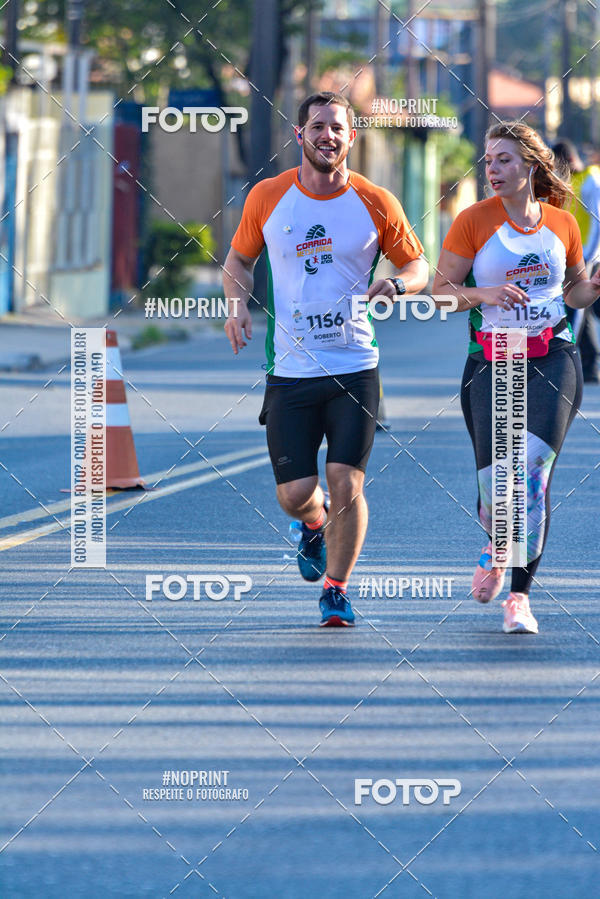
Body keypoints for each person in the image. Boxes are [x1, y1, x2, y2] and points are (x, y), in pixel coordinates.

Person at [223, 91, 428, 626]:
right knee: (295, 494)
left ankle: (336, 589)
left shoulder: (376, 201)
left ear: (351, 137)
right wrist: (236, 305)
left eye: (337, 128)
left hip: (355, 365)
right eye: (317, 126)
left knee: (347, 482)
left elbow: (418, 266)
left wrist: (399, 285)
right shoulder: (268, 197)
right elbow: (238, 261)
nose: (327, 136)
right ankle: (311, 525)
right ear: (300, 134)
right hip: (290, 370)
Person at [433, 121, 600, 634]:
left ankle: (520, 599)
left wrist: (593, 287)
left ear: (530, 164)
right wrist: (483, 295)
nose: (492, 170)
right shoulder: (473, 221)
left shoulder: (561, 223)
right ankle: (497, 543)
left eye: (503, 160)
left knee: (531, 472)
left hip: (553, 355)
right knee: (495, 483)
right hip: (493, 357)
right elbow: (439, 293)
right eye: (488, 161)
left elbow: (572, 294)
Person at [552, 138, 600, 383]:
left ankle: (567, 366)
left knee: (575, 313)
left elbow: (597, 221)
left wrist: (588, 256)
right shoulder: (567, 184)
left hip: (588, 257)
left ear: (568, 161)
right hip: (571, 256)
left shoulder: (591, 178)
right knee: (582, 310)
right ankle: (589, 368)